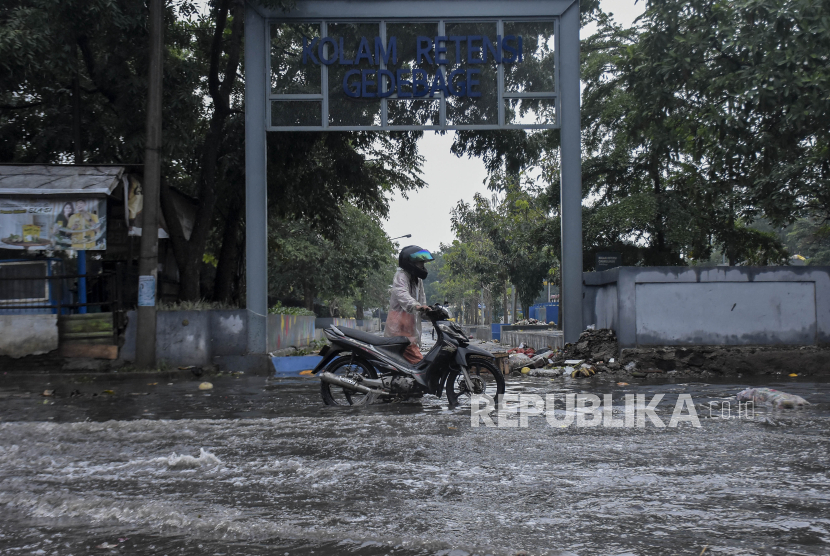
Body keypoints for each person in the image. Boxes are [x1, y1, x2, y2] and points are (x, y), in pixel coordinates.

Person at [385, 245, 434, 364]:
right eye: (420, 262)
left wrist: (429, 312)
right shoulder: (401, 276)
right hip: (399, 326)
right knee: (418, 364)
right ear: (410, 263)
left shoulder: (417, 280)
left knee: (408, 363)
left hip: (409, 327)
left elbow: (422, 301)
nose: (423, 266)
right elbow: (402, 295)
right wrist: (416, 306)